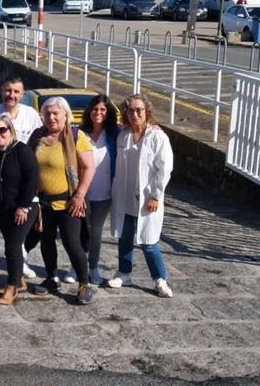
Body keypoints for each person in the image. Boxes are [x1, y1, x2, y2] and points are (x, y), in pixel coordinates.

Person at [28, 97, 97, 305]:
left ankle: (84, 283)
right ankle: (52, 277)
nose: (51, 117)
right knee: (46, 240)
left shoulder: (76, 136)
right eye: (47, 113)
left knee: (72, 242)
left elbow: (89, 167)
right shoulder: (37, 135)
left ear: (66, 115)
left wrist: (79, 195)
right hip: (43, 202)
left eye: (56, 113)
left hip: (69, 202)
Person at [107, 94, 175, 298]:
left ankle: (160, 279)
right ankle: (124, 273)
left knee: (148, 241)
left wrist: (155, 196)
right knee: (125, 237)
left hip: (147, 198)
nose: (135, 113)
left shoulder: (157, 137)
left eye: (139, 110)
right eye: (131, 110)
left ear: (147, 112)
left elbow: (165, 169)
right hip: (125, 195)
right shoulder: (123, 135)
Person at [0, 77, 42, 277]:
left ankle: (20, 263)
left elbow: (37, 142)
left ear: (22, 94)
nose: (11, 95)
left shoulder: (31, 115)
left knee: (17, 230)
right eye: (7, 90)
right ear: (0, 91)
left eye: (15, 91)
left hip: (19, 178)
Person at [0, 115, 39, 305]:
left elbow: (32, 179)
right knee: (10, 244)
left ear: (10, 130)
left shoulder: (22, 150)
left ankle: (12, 286)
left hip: (23, 207)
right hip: (2, 207)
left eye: (2, 130)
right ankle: (19, 280)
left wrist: (23, 206)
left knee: (13, 245)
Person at [78, 94, 120, 285]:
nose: (98, 113)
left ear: (108, 112)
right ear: (89, 111)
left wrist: (153, 125)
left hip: (105, 193)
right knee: (80, 231)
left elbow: (138, 131)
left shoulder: (114, 134)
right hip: (82, 192)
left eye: (103, 110)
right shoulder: (79, 132)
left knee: (95, 231)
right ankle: (76, 266)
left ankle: (93, 267)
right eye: (95, 109)